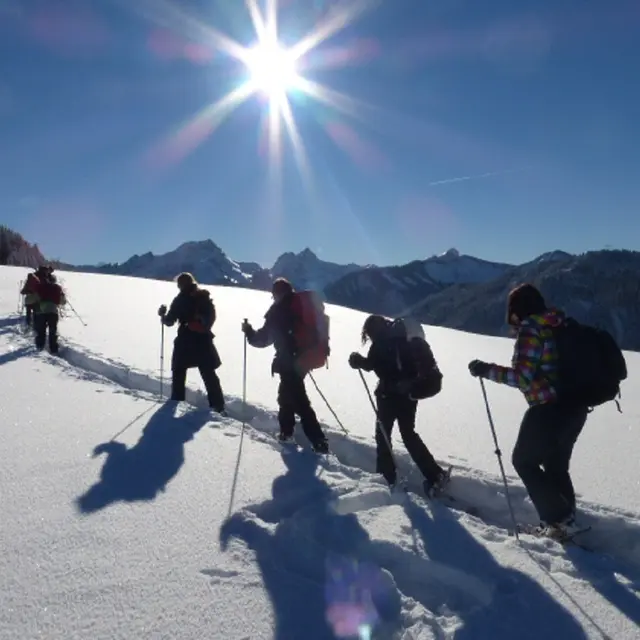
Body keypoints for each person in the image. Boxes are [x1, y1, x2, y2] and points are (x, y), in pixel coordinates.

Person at [468, 283, 588, 538]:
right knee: (556, 466)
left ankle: (558, 521)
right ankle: (567, 523)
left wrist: (486, 370)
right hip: (574, 407)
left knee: (524, 462)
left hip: (547, 408)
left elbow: (523, 378)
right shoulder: (557, 325)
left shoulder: (531, 329)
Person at [348, 314, 448, 496]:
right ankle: (435, 474)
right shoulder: (403, 338)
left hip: (388, 395)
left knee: (383, 434)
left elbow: (371, 364)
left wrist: (357, 360)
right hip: (409, 395)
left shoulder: (380, 343)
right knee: (408, 434)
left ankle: (386, 477)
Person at [241, 277, 329, 453]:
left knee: (299, 401)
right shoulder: (302, 307)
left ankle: (317, 441)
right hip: (303, 359)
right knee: (286, 397)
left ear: (276, 294)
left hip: (289, 361)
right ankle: (287, 433)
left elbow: (264, 339)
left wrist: (249, 332)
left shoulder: (279, 310)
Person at [158, 272, 225, 414]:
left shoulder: (180, 299)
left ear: (180, 284)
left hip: (185, 340)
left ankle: (177, 399)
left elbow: (170, 321)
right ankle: (218, 405)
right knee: (208, 373)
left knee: (178, 369)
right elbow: (211, 318)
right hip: (203, 340)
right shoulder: (203, 296)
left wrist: (162, 315)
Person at [33, 266, 65, 354]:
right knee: (52, 331)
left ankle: (39, 347)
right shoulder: (58, 288)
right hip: (53, 312)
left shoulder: (40, 287)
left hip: (41, 311)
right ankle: (53, 349)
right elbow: (63, 301)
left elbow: (36, 298)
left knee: (41, 330)